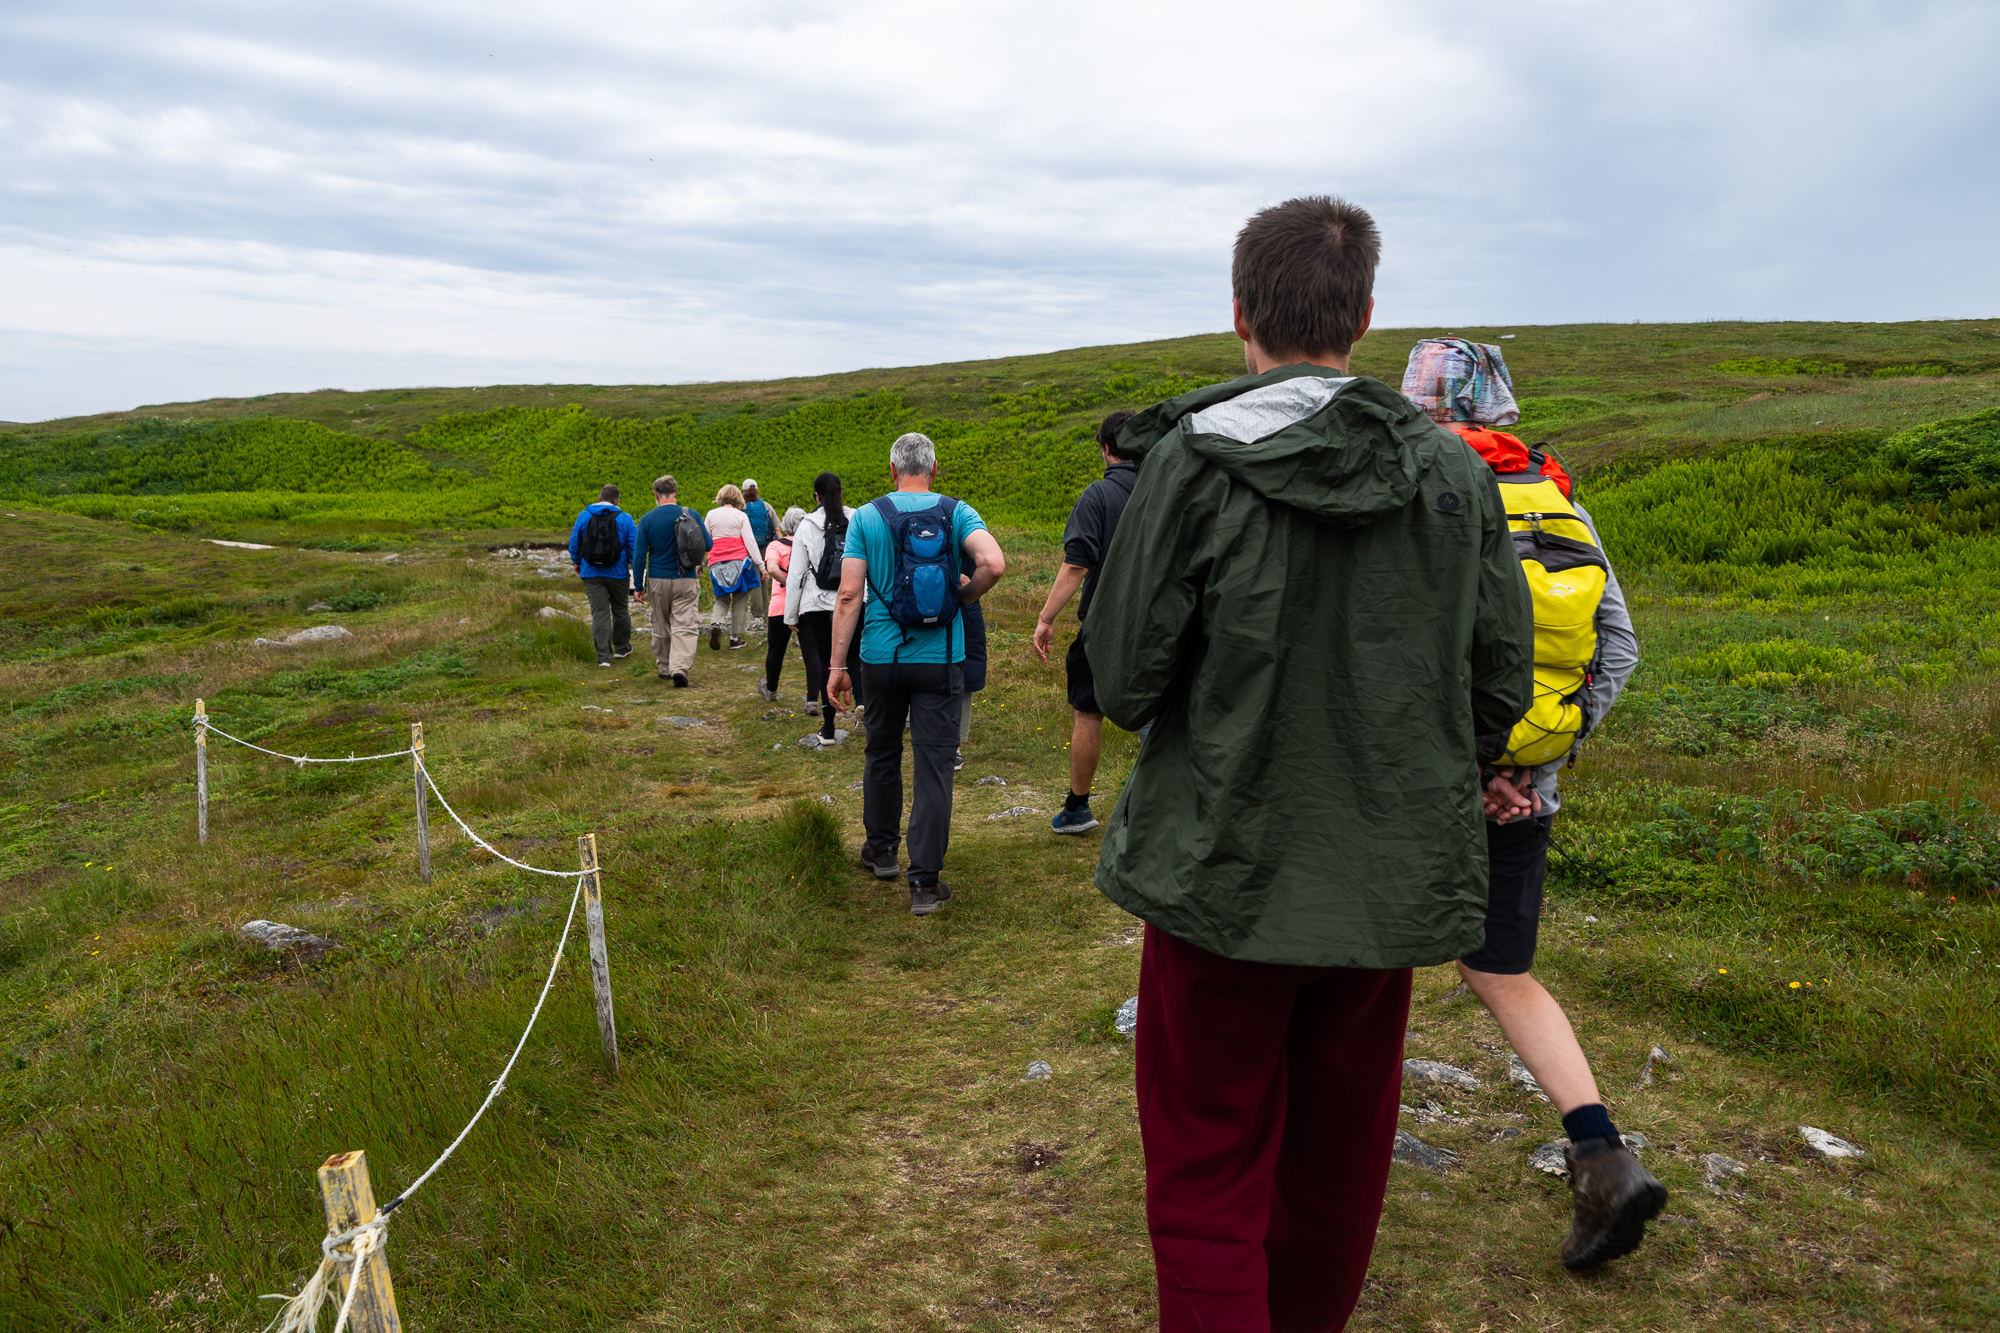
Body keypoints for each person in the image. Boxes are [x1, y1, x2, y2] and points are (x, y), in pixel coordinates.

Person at [1083, 195, 1535, 1333]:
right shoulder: (1451, 473)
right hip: (1382, 881)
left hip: (1215, 871)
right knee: (1338, 1167)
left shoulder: (1190, 458)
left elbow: (1125, 676)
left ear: (1239, 313)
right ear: (1365, 316)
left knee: (1205, 1168)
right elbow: (1498, 688)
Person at [1403, 336, 1663, 1270]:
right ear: (1503, 404)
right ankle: (1602, 1152)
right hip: (1527, 787)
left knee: (1365, 954)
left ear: (1418, 403)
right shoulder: (1561, 502)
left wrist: (1469, 769)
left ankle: (1324, 1155)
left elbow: (1399, 654)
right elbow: (1619, 652)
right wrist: (1534, 767)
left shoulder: (1414, 493)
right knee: (1501, 969)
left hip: (1425, 786)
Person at [827, 433, 1005, 915]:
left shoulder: (865, 517)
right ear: (934, 467)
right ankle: (924, 883)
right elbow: (994, 562)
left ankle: (882, 852)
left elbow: (847, 596)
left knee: (881, 751)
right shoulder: (956, 512)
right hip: (940, 661)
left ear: (891, 470)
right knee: (934, 768)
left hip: (881, 659)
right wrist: (965, 597)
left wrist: (838, 665)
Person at [1031, 409, 1139, 833]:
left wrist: (1045, 617)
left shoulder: (1098, 496)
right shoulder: (1164, 489)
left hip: (1106, 625)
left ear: (1106, 449)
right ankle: (1161, 806)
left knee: (1088, 712)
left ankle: (1078, 808)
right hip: (1165, 624)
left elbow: (1076, 565)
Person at [786, 471, 865, 734]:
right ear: (841, 492)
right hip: (855, 598)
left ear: (816, 496)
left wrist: (790, 616)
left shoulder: (806, 525)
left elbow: (796, 573)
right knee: (854, 656)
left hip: (817, 602)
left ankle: (829, 728)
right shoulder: (857, 519)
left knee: (826, 661)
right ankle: (863, 707)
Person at [632, 474, 711, 687]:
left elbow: (639, 556)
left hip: (658, 579)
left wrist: (638, 586)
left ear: (655, 495)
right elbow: (708, 544)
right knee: (684, 624)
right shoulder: (691, 514)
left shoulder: (647, 519)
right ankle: (680, 668)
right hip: (686, 578)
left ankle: (665, 667)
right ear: (676, 493)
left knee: (660, 623)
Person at [566, 483, 639, 668]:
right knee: (621, 610)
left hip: (591, 573)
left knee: (600, 613)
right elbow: (634, 547)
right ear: (617, 501)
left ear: (599, 498)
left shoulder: (584, 516)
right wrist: (634, 569)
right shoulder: (625, 519)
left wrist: (577, 562)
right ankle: (622, 648)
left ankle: (604, 657)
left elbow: (574, 541)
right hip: (618, 573)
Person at [704, 484, 765, 651]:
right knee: (740, 598)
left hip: (717, 562)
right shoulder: (741, 516)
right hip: (739, 561)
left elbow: (704, 540)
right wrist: (761, 565)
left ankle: (717, 623)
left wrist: (698, 564)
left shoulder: (711, 515)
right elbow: (750, 542)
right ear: (738, 498)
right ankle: (735, 638)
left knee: (721, 597)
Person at [758, 507, 805, 702]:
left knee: (776, 650)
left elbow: (772, 569)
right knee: (814, 652)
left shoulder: (776, 545)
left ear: (785, 525)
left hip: (780, 604)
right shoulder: (809, 544)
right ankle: (814, 696)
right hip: (806, 605)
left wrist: (788, 584)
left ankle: (771, 689)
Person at [742, 478, 781, 628]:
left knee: (755, 579)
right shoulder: (766, 506)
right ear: (756, 490)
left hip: (749, 547)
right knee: (765, 578)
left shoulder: (741, 508)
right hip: (766, 546)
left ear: (743, 492)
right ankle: (766, 612)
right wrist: (782, 546)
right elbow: (777, 528)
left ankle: (757, 615)